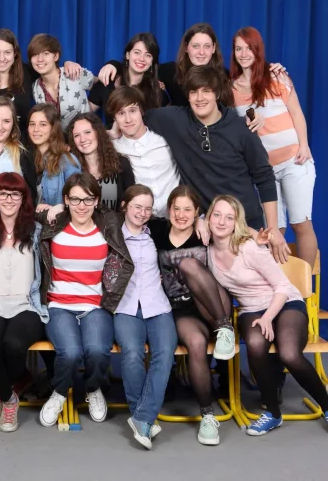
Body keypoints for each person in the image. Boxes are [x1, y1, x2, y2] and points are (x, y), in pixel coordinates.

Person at [125, 65, 288, 262]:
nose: (199, 98)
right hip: (208, 229)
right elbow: (134, 115)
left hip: (246, 223)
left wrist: (273, 229)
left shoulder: (240, 128)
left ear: (217, 93)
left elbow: (265, 178)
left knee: (257, 278)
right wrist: (114, 129)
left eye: (206, 91)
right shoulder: (175, 120)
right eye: (194, 92)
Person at [206, 195, 328, 435]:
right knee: (254, 344)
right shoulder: (207, 251)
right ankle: (273, 413)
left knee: (289, 354)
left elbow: (282, 286)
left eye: (229, 217)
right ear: (208, 218)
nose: (221, 222)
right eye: (216, 215)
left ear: (236, 223)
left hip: (284, 302)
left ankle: (326, 406)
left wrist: (268, 317)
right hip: (250, 309)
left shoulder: (248, 247)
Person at [37, 173, 129, 428]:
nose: (81, 206)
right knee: (70, 353)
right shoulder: (54, 222)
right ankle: (59, 393)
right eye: (75, 200)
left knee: (97, 351)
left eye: (88, 200)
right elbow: (16, 210)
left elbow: (141, 215)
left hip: (94, 304)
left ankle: (93, 388)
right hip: (59, 304)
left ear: (97, 200)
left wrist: (200, 221)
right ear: (66, 200)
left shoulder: (109, 224)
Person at [148, 185, 236, 446]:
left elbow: (240, 229)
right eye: (176, 208)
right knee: (196, 343)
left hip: (212, 304)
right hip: (181, 308)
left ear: (198, 212)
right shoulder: (157, 231)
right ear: (168, 210)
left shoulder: (205, 231)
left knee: (188, 263)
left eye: (188, 209)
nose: (181, 214)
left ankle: (224, 328)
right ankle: (208, 416)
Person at [231, 26, 317, 268]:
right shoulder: (231, 89)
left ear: (258, 50)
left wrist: (304, 145)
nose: (244, 54)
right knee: (273, 230)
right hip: (263, 171)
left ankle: (303, 286)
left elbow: (297, 113)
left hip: (293, 161)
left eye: (249, 48)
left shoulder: (276, 77)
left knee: (301, 223)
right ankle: (280, 285)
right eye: (238, 49)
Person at [0, 173, 47, 433]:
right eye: (3, 193)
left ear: (24, 198)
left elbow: (65, 218)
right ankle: (9, 397)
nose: (9, 199)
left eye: (15, 194)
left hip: (26, 304)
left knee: (13, 345)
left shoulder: (36, 230)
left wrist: (57, 206)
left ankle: (0, 393)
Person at [112, 184, 178, 450]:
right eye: (137, 207)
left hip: (157, 304)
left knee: (165, 353)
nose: (142, 213)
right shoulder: (112, 233)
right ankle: (144, 417)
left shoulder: (158, 232)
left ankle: (142, 417)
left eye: (147, 208)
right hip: (126, 305)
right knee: (132, 353)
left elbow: (184, 226)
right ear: (124, 206)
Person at [98, 22, 284, 110]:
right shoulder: (170, 71)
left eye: (206, 46)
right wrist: (114, 65)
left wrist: (270, 69)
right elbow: (142, 66)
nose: (201, 52)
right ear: (186, 48)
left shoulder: (224, 75)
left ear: (213, 49)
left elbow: (247, 80)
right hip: (181, 143)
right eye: (196, 46)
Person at [0, 28, 83, 141]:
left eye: (7, 52)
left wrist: (67, 63)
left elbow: (49, 67)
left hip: (25, 143)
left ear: (15, 53)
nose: (1, 58)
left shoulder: (27, 72)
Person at [107, 86, 180, 218]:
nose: (128, 119)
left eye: (132, 111)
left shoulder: (164, 138)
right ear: (114, 118)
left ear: (141, 110)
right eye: (121, 113)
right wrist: (109, 134)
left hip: (176, 217)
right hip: (142, 220)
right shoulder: (113, 148)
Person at [89, 33, 170, 125]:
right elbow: (85, 112)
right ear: (127, 55)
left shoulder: (157, 92)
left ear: (152, 61)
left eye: (148, 55)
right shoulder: (107, 82)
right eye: (137, 52)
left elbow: (166, 123)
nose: (141, 59)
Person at [67, 112, 135, 211]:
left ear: (98, 133)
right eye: (77, 135)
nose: (82, 139)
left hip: (116, 220)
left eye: (87, 132)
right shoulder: (70, 168)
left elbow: (131, 202)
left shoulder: (121, 164)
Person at [28, 34, 95, 130]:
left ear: (56, 56)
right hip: (56, 139)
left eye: (46, 54)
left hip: (83, 136)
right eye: (35, 55)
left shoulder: (73, 73)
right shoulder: (35, 88)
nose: (40, 59)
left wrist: (92, 106)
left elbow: (102, 82)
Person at [28, 104, 81, 208]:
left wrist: (60, 207)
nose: (35, 129)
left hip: (59, 218)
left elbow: (77, 201)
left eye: (43, 124)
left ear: (53, 128)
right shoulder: (29, 159)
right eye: (32, 124)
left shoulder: (67, 161)